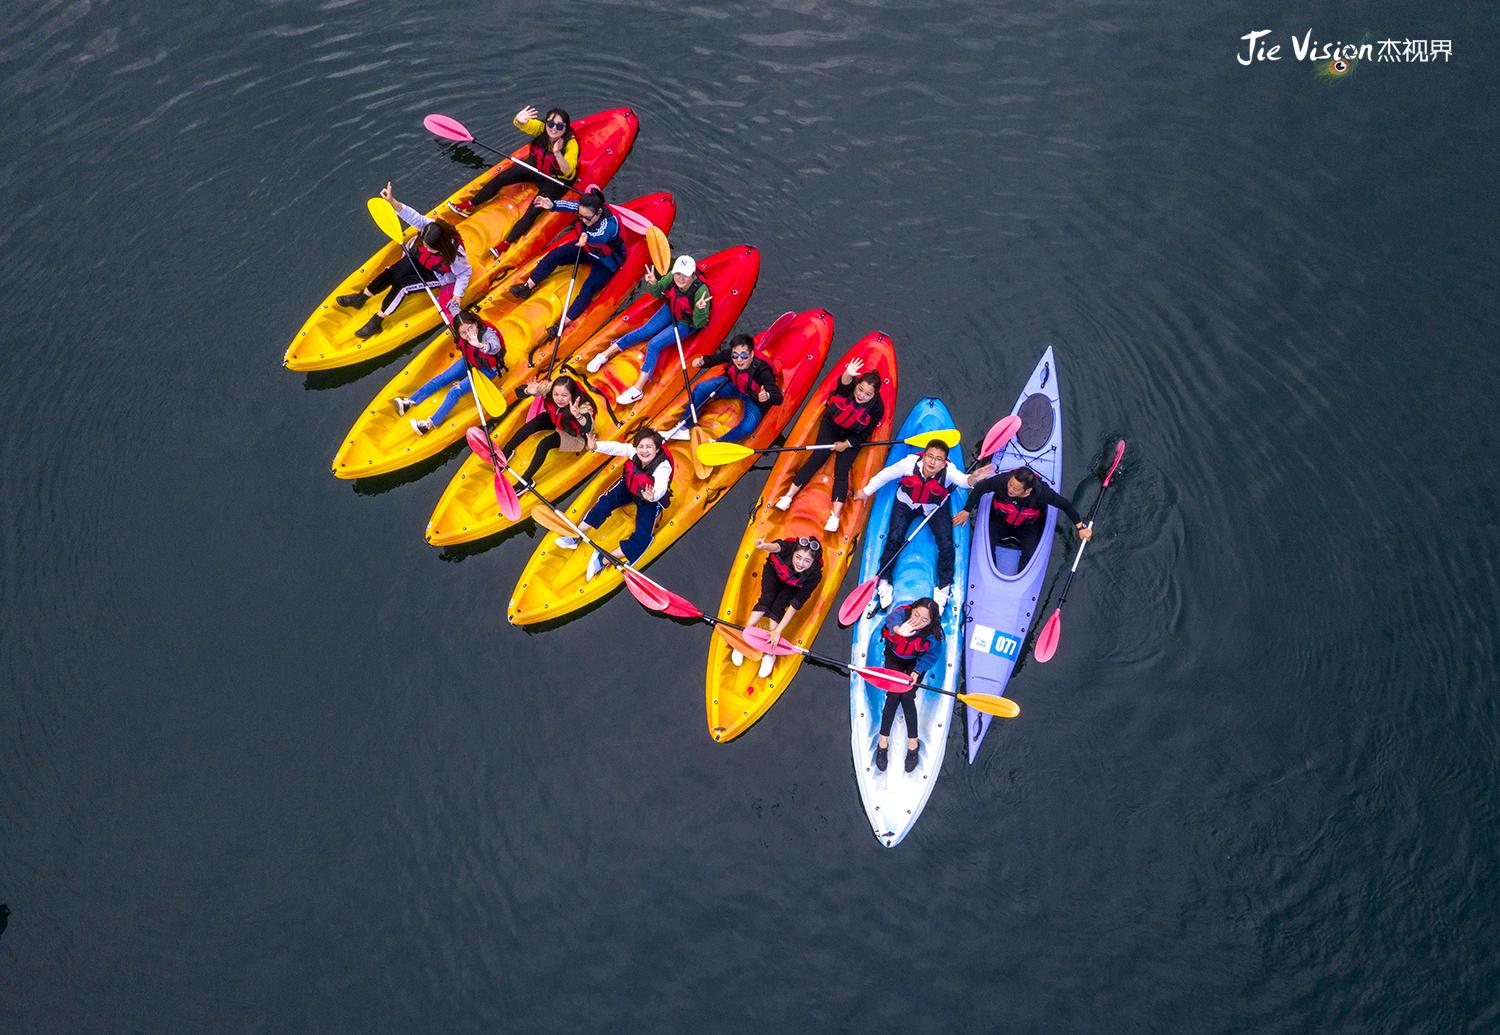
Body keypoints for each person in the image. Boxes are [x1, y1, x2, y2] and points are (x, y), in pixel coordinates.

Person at [851, 441, 994, 614]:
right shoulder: (909, 463)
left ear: (944, 462)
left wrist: (975, 477)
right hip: (906, 502)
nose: (933, 462)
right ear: (924, 455)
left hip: (933, 507)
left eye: (938, 459)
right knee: (894, 538)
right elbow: (885, 475)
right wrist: (866, 492)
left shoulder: (949, 471)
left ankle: (943, 590)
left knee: (946, 544)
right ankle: (884, 582)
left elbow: (964, 481)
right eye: (930, 456)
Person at [337, 182, 471, 339]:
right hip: (419, 260)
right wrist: (393, 202)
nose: (427, 249)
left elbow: (465, 273)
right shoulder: (430, 226)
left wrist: (458, 294)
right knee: (392, 271)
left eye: (431, 249)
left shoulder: (455, 254)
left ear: (441, 246)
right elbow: (415, 217)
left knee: (403, 286)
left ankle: (378, 320)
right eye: (425, 246)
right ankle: (361, 298)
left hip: (436, 275)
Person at [774, 357, 885, 532]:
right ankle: (788, 496)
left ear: (874, 395)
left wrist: (847, 444)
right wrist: (848, 374)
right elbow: (843, 384)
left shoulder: (878, 408)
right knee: (817, 457)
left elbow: (865, 433)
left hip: (852, 435)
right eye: (860, 389)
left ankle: (835, 516)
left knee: (841, 470)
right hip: (832, 424)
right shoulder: (850, 386)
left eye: (867, 394)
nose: (861, 395)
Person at [450, 105, 578, 254]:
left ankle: (506, 243)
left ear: (565, 127)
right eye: (550, 124)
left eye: (559, 126)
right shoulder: (542, 129)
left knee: (533, 211)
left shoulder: (571, 144)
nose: (554, 129)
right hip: (537, 168)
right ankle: (470, 205)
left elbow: (568, 169)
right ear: (546, 123)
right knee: (502, 178)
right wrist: (519, 120)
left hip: (556, 180)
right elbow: (524, 125)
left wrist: (557, 153)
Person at [585, 255, 711, 405]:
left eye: (685, 275)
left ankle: (638, 389)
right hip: (671, 309)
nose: (680, 278)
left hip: (686, 323)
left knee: (654, 345)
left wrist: (700, 309)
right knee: (643, 332)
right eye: (678, 273)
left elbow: (699, 324)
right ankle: (604, 355)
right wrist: (653, 283)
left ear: (692, 275)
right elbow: (658, 292)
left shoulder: (701, 292)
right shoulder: (671, 277)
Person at [556, 428, 673, 582]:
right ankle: (577, 534)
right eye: (641, 446)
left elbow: (662, 485)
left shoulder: (663, 467)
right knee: (606, 501)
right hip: (631, 488)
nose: (644, 451)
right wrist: (596, 446)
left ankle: (604, 558)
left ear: (657, 449)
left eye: (649, 447)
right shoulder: (634, 452)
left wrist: (653, 496)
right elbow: (617, 447)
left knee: (643, 538)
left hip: (648, 499)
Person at [507, 189, 623, 340]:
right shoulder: (585, 210)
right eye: (580, 217)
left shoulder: (610, 224)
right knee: (554, 255)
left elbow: (600, 235)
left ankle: (564, 323)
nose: (583, 220)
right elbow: (569, 205)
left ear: (599, 212)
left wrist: (587, 236)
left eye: (587, 218)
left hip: (605, 261)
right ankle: (527, 287)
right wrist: (551, 204)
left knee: (589, 287)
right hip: (586, 248)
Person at [395, 311, 507, 435]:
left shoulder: (488, 334)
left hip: (487, 370)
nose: (469, 333)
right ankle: (409, 402)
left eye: (471, 328)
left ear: (475, 323)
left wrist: (479, 344)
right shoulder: (462, 331)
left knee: (455, 391)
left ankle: (429, 424)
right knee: (443, 378)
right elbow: (453, 309)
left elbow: (495, 346)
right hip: (470, 360)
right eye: (463, 332)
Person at [958, 465, 1092, 568]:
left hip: (1026, 526)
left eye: (1015, 489)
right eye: (1010, 484)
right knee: (986, 547)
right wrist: (966, 511)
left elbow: (1065, 505)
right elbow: (980, 488)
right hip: (1001, 519)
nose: (1010, 489)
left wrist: (1081, 528)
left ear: (1027, 491)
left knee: (1030, 554)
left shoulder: (1043, 494)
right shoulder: (1002, 481)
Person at [731, 536, 824, 679]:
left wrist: (778, 631)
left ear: (812, 563)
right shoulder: (789, 547)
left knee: (778, 606)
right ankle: (745, 634)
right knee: (766, 599)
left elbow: (795, 604)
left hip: (792, 586)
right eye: (798, 557)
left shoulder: (815, 575)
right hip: (774, 573)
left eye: (807, 561)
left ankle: (770, 651)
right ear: (794, 552)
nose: (800, 563)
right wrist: (764, 546)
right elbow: (777, 547)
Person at [664, 332, 782, 444]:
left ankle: (719, 444)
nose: (739, 360)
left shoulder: (763, 371)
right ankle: (684, 427)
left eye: (744, 356)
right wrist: (702, 361)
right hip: (734, 387)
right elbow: (715, 359)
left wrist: (767, 396)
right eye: (735, 355)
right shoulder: (730, 355)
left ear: (751, 354)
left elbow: (778, 397)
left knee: (747, 427)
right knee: (701, 388)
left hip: (754, 399)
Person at [873, 598, 942, 773]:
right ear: (911, 610)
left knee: (907, 695)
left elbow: (930, 656)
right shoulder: (901, 615)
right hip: (894, 656)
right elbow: (891, 621)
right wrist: (899, 631)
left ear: (931, 622)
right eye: (916, 614)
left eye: (924, 620)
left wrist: (918, 671)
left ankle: (913, 743)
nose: (918, 621)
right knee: (894, 694)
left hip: (915, 662)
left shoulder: (933, 636)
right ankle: (883, 741)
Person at [499, 375, 597, 488]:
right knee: (530, 426)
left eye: (564, 395)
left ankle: (526, 480)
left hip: (575, 435)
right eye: (556, 395)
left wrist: (578, 415)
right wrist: (527, 390)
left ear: (572, 394)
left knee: (544, 444)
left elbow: (588, 426)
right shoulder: (551, 388)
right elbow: (519, 393)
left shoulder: (583, 406)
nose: (559, 399)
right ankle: (507, 451)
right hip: (557, 420)